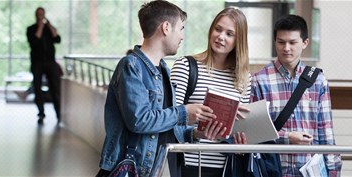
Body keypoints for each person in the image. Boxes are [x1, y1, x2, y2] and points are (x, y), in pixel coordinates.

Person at [97, 1, 218, 177]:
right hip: (134, 170)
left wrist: (196, 133)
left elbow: (164, 126)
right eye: (181, 28)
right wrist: (183, 112)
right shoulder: (131, 66)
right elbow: (139, 120)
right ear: (166, 27)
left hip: (160, 167)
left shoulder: (164, 71)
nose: (182, 37)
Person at [251, 15, 341, 177]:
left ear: (305, 43)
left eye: (292, 42)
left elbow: (326, 133)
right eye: (281, 42)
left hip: (309, 172)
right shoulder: (259, 80)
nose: (286, 48)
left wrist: (333, 171)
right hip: (271, 170)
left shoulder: (318, 81)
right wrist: (287, 138)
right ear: (275, 42)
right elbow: (255, 132)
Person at [170, 7, 251, 177]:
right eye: (218, 29)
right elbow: (168, 118)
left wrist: (242, 142)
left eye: (229, 34)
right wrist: (195, 130)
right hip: (188, 164)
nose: (220, 37)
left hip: (227, 167)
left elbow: (241, 128)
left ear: (239, 41)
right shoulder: (185, 66)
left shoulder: (244, 78)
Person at [26, 7, 63, 124]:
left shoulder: (49, 29)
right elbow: (34, 41)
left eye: (42, 14)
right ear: (36, 15)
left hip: (50, 62)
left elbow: (57, 39)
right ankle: (41, 113)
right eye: (39, 14)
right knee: (37, 88)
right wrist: (41, 26)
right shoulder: (31, 29)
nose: (40, 16)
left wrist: (50, 26)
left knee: (55, 88)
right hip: (37, 63)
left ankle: (58, 113)